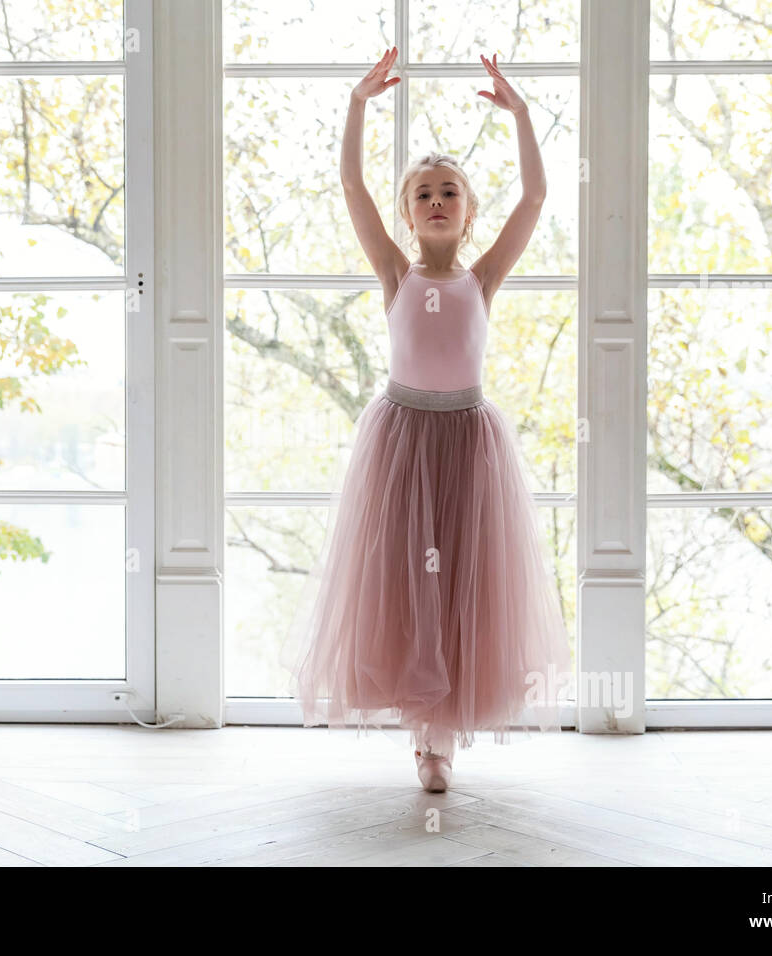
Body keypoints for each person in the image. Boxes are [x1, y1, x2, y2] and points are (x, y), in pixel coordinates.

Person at [280, 48, 574, 794]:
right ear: (409, 214)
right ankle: (422, 737)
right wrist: (356, 105)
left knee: (461, 584)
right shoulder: (395, 273)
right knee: (409, 582)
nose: (437, 201)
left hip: (468, 441)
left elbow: (536, 200)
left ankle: (443, 738)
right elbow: (350, 185)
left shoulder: (482, 278)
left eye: (450, 192)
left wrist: (524, 115)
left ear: (468, 211)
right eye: (423, 195)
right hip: (404, 438)